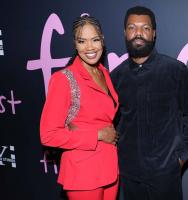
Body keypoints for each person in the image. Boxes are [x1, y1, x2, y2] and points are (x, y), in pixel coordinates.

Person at [111, 6, 188, 200]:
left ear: (154, 34)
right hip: (129, 176)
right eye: (132, 27)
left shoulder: (175, 70)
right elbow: (111, 123)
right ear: (125, 33)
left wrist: (180, 157)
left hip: (165, 176)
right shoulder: (116, 77)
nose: (138, 33)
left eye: (145, 28)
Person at [40, 15, 119, 200]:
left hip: (109, 168)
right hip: (83, 173)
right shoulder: (63, 79)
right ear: (75, 45)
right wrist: (98, 135)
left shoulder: (104, 73)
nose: (90, 47)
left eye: (95, 40)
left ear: (103, 41)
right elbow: (48, 135)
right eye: (82, 41)